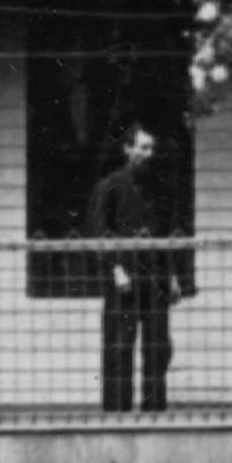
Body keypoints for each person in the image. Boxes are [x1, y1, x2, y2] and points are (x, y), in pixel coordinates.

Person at [89, 124, 192, 412]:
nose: (149, 154)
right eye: (143, 148)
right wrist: (115, 268)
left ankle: (153, 410)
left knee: (157, 348)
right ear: (128, 149)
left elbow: (166, 235)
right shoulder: (110, 187)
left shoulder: (158, 190)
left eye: (151, 148)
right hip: (123, 280)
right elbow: (100, 232)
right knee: (119, 347)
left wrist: (172, 276)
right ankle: (117, 412)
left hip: (155, 279)